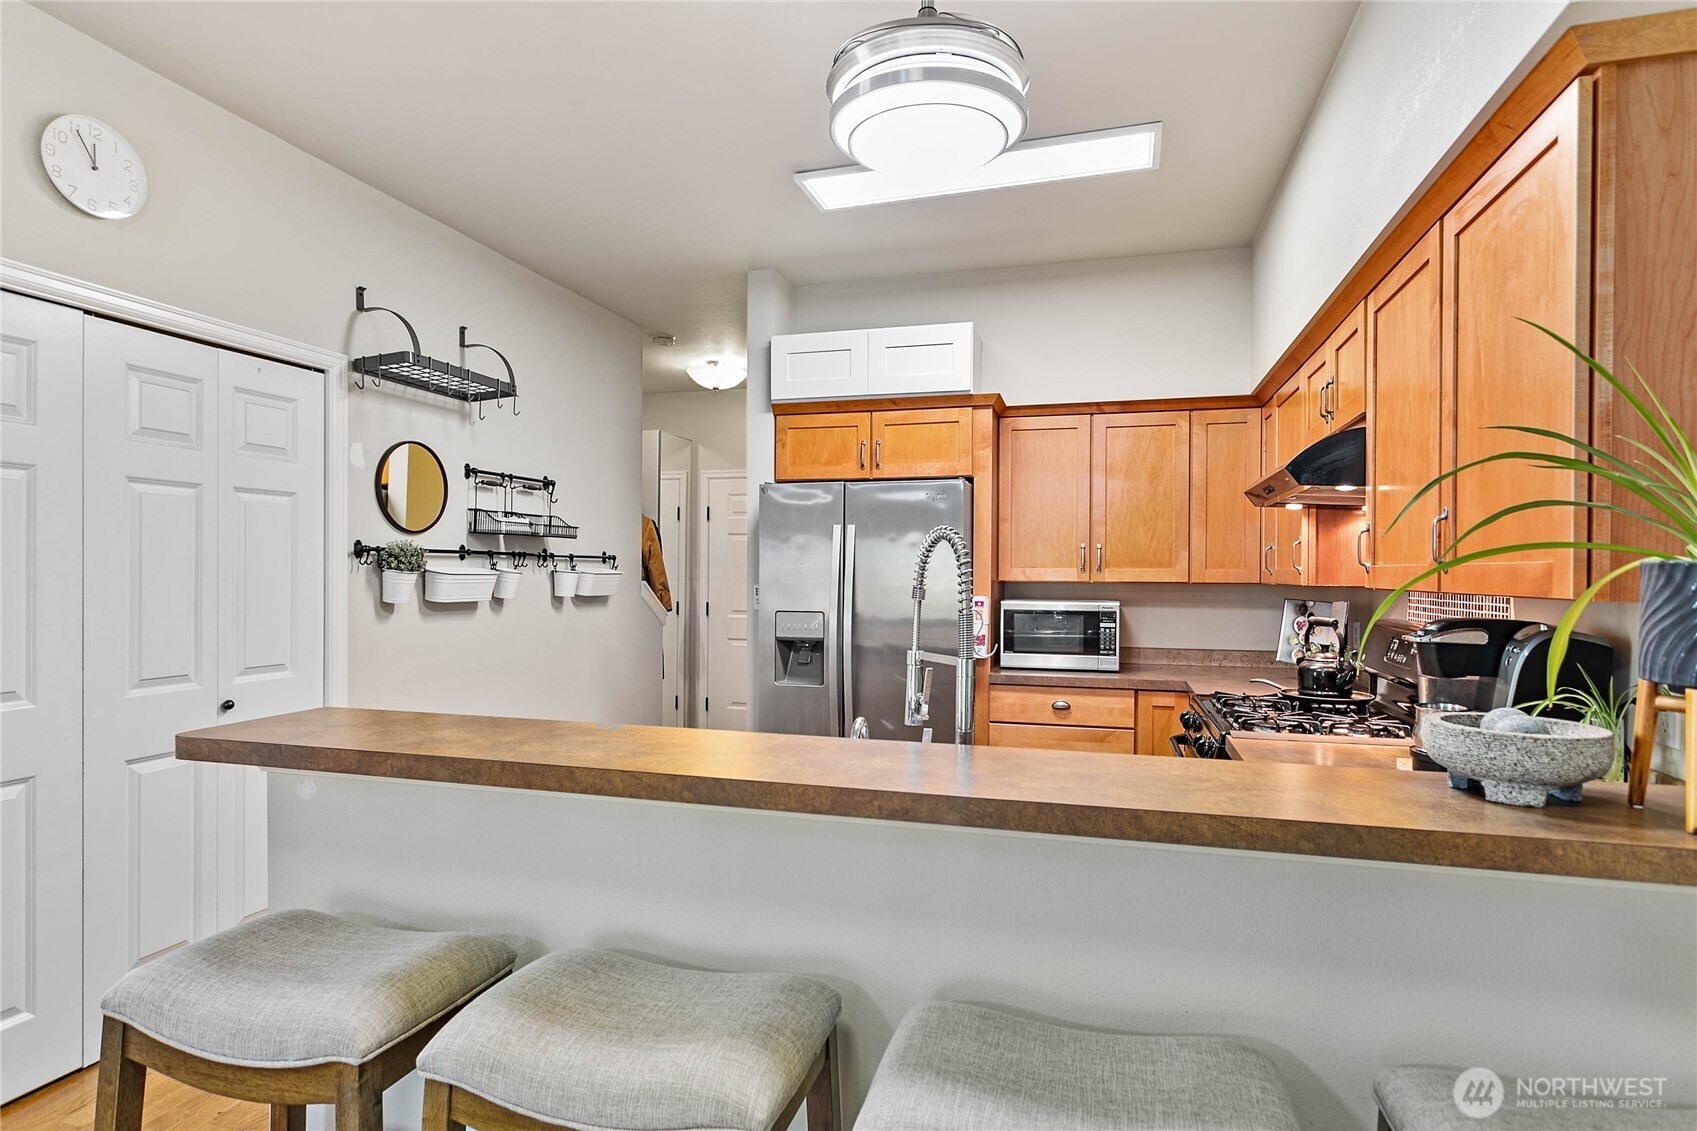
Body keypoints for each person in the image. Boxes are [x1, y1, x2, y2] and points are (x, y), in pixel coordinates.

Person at [640, 513, 672, 610]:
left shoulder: (645, 524)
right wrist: (663, 601)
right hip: (638, 594)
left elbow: (655, 564)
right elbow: (655, 565)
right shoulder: (644, 524)